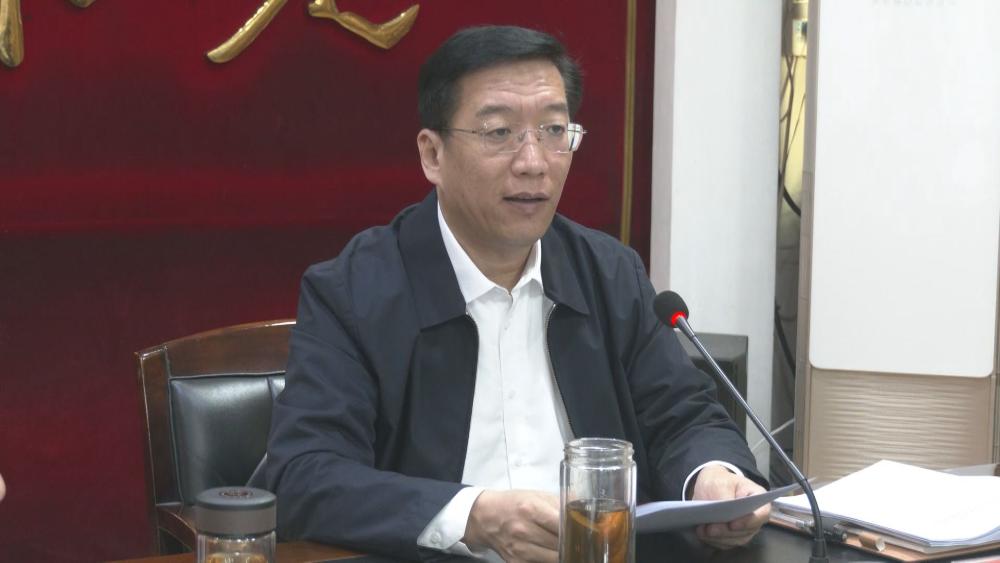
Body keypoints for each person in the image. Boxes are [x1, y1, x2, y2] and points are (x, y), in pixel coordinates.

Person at [260, 25, 769, 562]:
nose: (533, 161)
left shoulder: (609, 274)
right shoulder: (355, 292)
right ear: (433, 155)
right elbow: (305, 475)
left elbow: (685, 416)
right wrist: (474, 516)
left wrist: (712, 476)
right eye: (499, 132)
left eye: (554, 130)